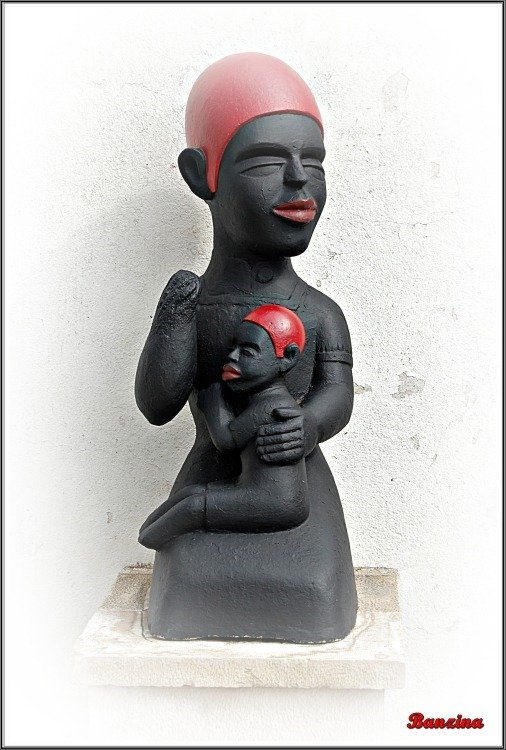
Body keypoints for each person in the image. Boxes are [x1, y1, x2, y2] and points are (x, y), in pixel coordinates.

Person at [135, 53, 357, 642]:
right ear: (200, 175)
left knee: (313, 585)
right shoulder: (196, 304)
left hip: (293, 485)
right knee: (190, 579)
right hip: (215, 468)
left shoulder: (321, 314)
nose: (299, 179)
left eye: (314, 161)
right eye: (265, 161)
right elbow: (157, 404)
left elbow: (336, 394)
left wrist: (308, 425)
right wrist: (176, 316)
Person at [139, 305, 309, 549]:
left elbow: (226, 440)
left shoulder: (272, 407)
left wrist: (214, 404)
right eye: (233, 348)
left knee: (194, 505)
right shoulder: (263, 401)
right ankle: (146, 532)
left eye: (247, 352)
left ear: (287, 358)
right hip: (261, 493)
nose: (233, 357)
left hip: (276, 503)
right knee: (192, 493)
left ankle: (149, 539)